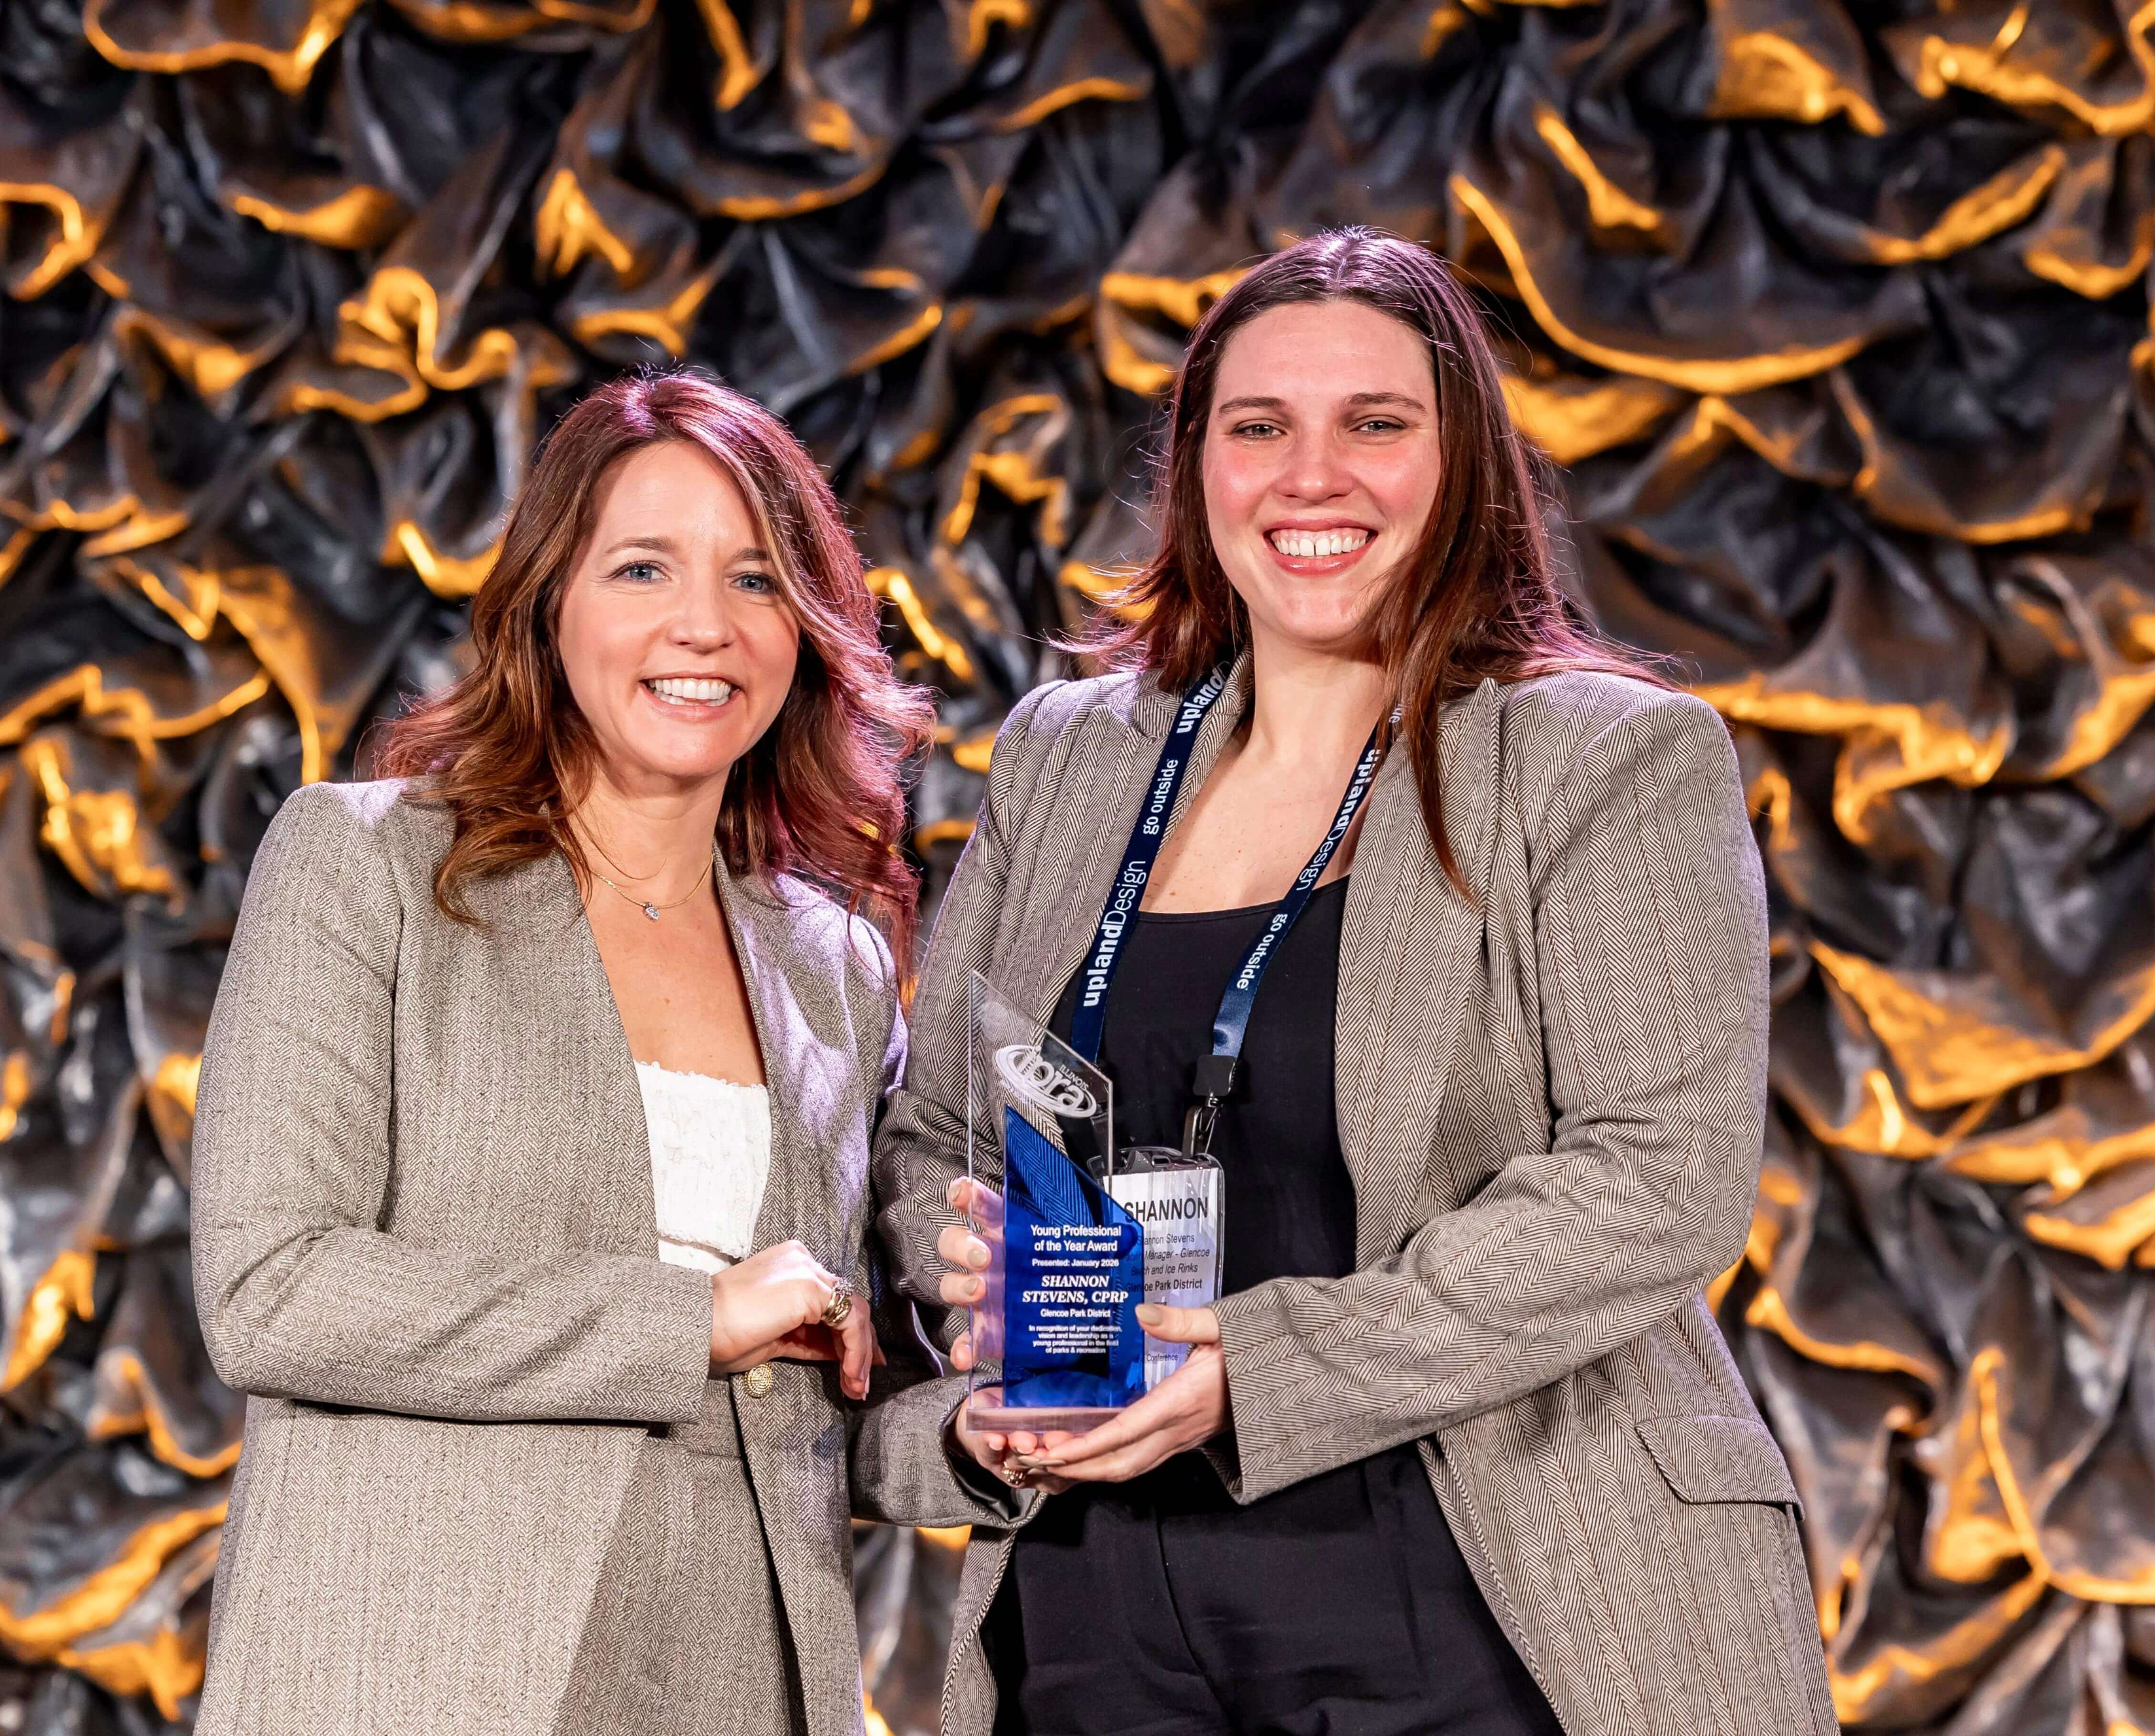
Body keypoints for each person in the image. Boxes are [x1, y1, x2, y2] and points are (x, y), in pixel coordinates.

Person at [872, 229, 1839, 1736]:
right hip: (1101, 1583)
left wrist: (1263, 1369)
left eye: (1375, 426)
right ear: (1198, 469)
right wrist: (978, 1276)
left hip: (1487, 1561)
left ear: (1463, 467)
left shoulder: (1601, 756)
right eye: (1259, 428)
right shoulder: (1073, 755)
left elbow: (1662, 1174)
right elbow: (936, 1132)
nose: (1310, 476)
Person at [190, 372, 1004, 1736]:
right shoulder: (369, 865)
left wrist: (986, 1440)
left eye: (757, 581)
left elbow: (820, 1386)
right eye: (644, 568)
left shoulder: (836, 966)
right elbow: (272, 1290)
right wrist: (687, 1318)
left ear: (805, 631)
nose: (706, 625)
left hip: (741, 1676)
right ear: (548, 604)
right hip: (421, 1675)